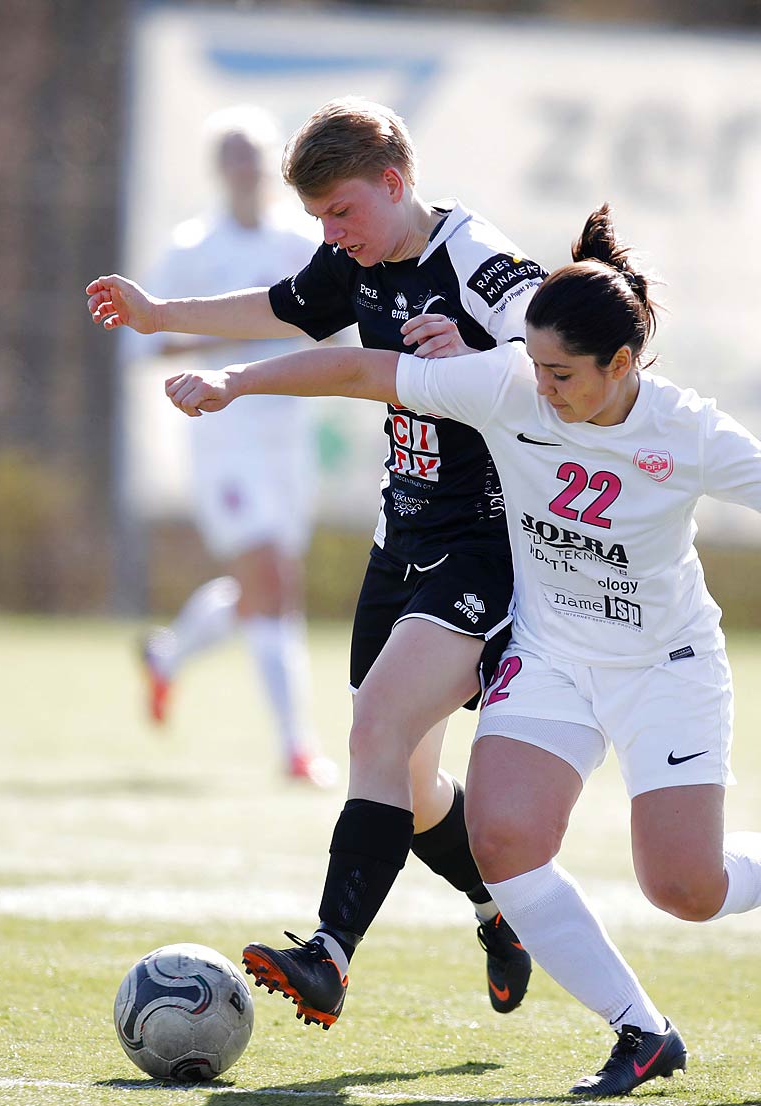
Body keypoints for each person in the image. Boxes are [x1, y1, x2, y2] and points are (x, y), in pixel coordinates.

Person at [162, 204, 761, 1097]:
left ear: (621, 365)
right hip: (552, 655)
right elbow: (366, 369)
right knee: (505, 834)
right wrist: (238, 381)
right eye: (535, 365)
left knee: (685, 888)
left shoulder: (688, 431)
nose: (542, 387)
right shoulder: (509, 384)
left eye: (562, 374)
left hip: (665, 669)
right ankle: (642, 1031)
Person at [88, 98, 543, 1027]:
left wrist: (498, 350)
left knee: (372, 732)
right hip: (401, 544)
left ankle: (329, 955)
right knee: (412, 788)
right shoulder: (355, 259)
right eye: (319, 222)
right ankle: (504, 916)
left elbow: (573, 343)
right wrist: (157, 314)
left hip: (485, 549)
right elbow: (280, 309)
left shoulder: (475, 257)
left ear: (393, 182)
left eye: (342, 213)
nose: (331, 237)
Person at [130, 107, 335, 787]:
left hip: (285, 437)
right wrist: (225, 337)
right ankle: (297, 747)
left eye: (256, 156)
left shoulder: (297, 244)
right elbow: (144, 340)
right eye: (235, 157)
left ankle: (167, 656)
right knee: (272, 576)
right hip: (225, 439)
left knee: (263, 590)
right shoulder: (192, 249)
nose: (247, 170)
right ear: (220, 170)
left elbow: (333, 325)